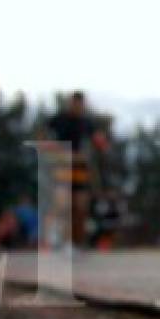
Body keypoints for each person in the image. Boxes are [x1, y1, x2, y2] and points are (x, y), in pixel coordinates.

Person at [40, 91, 107, 248]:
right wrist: (56, 152)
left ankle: (77, 243)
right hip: (62, 167)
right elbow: (42, 136)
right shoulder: (59, 120)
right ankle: (62, 241)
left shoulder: (87, 123)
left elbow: (99, 142)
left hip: (80, 169)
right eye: (75, 103)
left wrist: (100, 145)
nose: (77, 107)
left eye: (80, 104)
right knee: (63, 205)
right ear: (71, 103)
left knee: (80, 206)